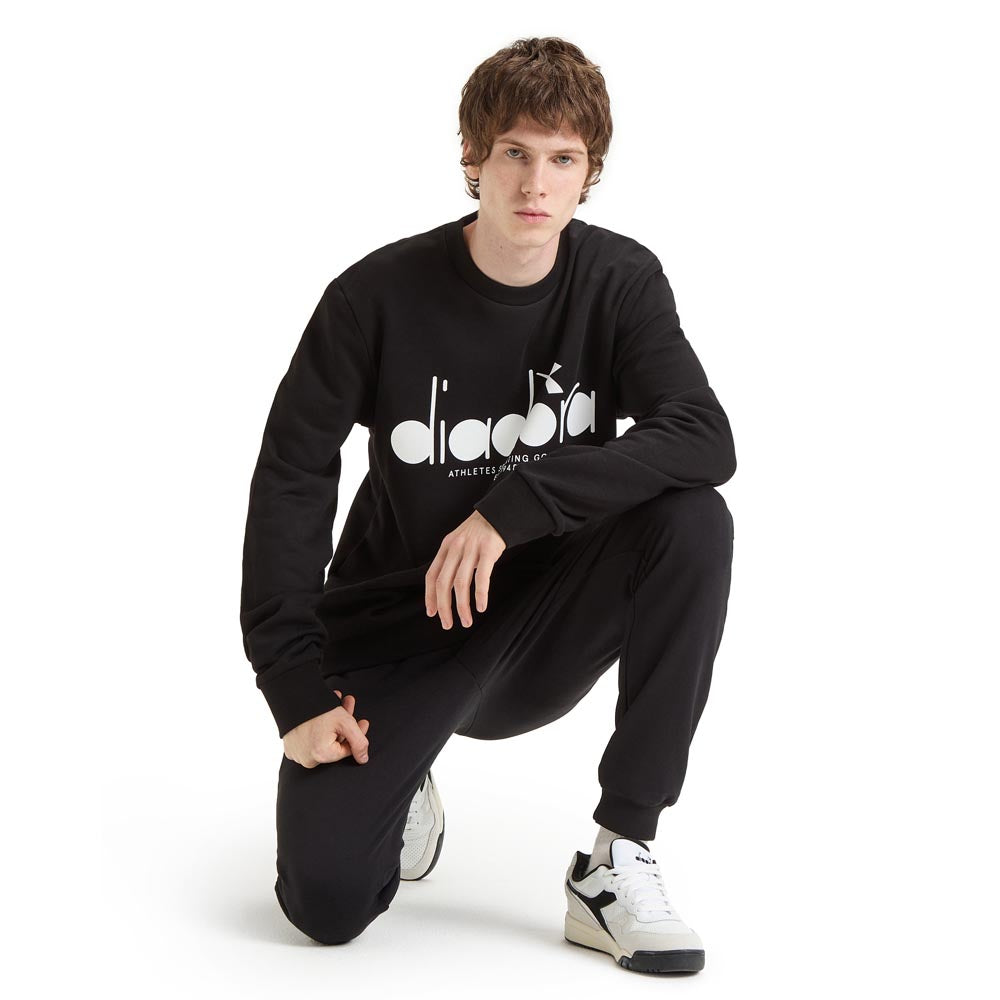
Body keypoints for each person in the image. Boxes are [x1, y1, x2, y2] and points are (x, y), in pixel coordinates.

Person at [240, 36, 736, 974]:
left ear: (590, 172)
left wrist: (517, 505)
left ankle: (618, 854)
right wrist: (292, 687)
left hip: (546, 620)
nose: (536, 184)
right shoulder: (374, 297)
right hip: (399, 626)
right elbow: (292, 478)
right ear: (473, 156)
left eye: (563, 159)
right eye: (514, 152)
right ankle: (405, 774)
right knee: (326, 905)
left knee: (693, 521)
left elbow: (703, 435)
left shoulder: (620, 281)